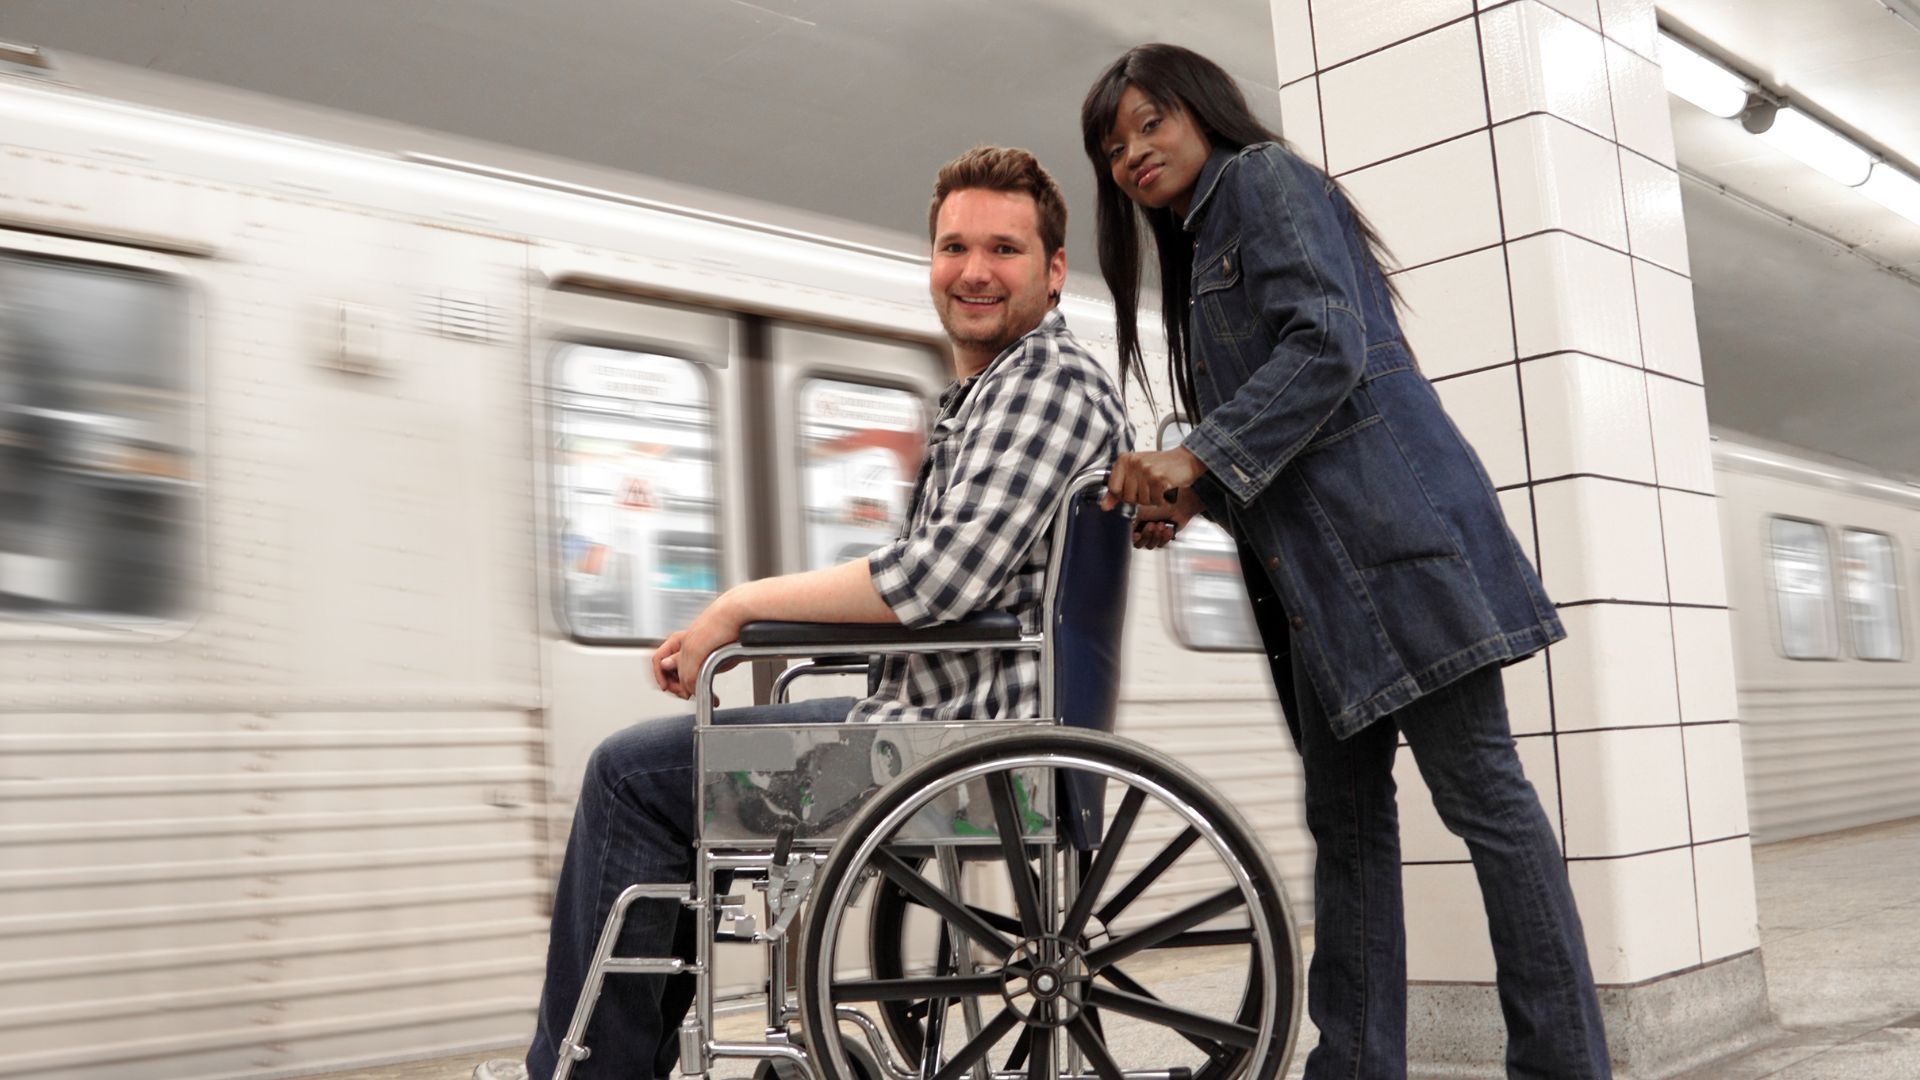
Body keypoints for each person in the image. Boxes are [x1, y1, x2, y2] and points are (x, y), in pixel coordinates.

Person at [475, 145, 1130, 1080]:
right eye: (953, 247)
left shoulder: (1044, 387)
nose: (974, 271)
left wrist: (738, 609)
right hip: (941, 728)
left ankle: (588, 1071)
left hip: (954, 751)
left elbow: (935, 583)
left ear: (1053, 269)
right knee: (685, 771)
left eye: (1005, 249)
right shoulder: (1001, 390)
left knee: (630, 776)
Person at [1081, 44, 1612, 1079]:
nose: (1133, 152)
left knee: (1483, 799)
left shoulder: (1264, 182)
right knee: (1349, 824)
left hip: (1396, 552)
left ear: (1203, 110)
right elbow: (1290, 438)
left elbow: (1329, 346)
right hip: (1317, 586)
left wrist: (1198, 455)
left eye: (1150, 122)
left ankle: (1562, 1063)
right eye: (1113, 145)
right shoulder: (1198, 251)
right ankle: (1356, 1064)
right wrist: (1197, 495)